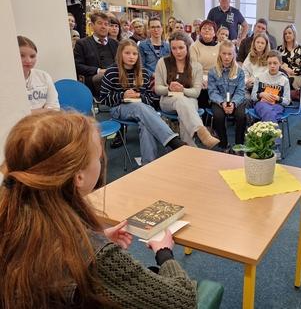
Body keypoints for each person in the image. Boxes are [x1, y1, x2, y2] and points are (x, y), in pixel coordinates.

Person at [0, 111, 198, 308]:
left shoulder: (11, 219)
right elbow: (184, 301)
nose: (101, 162)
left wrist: (97, 236)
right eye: (97, 157)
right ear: (79, 177)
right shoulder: (93, 256)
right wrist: (164, 252)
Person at [99, 39, 186, 165]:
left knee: (145, 123)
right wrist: (122, 95)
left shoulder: (143, 72)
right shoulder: (111, 72)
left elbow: (151, 99)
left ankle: (148, 164)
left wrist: (139, 95)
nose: (131, 57)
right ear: (120, 54)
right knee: (139, 108)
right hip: (118, 108)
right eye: (127, 53)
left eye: (134, 54)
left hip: (142, 110)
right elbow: (104, 99)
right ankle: (173, 141)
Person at [155, 32, 220, 149]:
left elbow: (196, 92)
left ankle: (188, 148)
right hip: (167, 101)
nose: (178, 52)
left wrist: (183, 90)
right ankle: (202, 132)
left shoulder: (196, 66)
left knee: (183, 106)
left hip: (190, 101)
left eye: (181, 47)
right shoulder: (162, 62)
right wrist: (169, 88)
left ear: (187, 47)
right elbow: (157, 89)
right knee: (180, 100)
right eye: (174, 48)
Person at [208, 40, 247, 150]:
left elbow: (240, 91)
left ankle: (239, 145)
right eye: (224, 53)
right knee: (218, 116)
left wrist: (233, 103)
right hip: (219, 101)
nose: (226, 57)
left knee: (241, 116)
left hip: (236, 100)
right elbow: (212, 92)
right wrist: (222, 103)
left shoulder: (240, 72)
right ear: (219, 53)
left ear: (234, 54)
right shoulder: (213, 71)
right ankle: (223, 144)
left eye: (230, 54)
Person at [73, 11, 118, 97]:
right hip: (94, 78)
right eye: (100, 23)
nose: (103, 26)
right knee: (102, 78)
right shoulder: (82, 43)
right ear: (92, 25)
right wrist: (98, 71)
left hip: (115, 76)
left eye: (106, 24)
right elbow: (78, 65)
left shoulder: (115, 43)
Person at [18, 36, 60, 113]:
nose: (28, 60)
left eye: (32, 56)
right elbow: (11, 115)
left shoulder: (44, 76)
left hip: (44, 122)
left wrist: (30, 112)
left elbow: (54, 108)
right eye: (22, 56)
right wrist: (43, 110)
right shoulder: (6, 81)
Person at [251, 50, 291, 123]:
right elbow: (253, 97)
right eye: (269, 63)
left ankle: (264, 131)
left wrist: (278, 98)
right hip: (261, 104)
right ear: (267, 64)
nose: (272, 66)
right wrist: (261, 94)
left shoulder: (284, 80)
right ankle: (275, 133)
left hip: (277, 105)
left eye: (275, 63)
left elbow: (287, 101)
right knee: (268, 111)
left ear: (280, 63)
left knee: (269, 113)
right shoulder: (259, 77)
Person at [190, 20, 221, 109]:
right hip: (200, 78)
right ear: (200, 32)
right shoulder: (194, 47)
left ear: (214, 33)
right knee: (202, 92)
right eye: (204, 28)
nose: (207, 30)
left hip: (216, 77)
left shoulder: (220, 46)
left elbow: (223, 66)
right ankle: (202, 118)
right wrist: (200, 80)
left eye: (210, 29)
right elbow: (193, 67)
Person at [277, 24, 301, 96]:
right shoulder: (279, 49)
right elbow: (276, 63)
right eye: (285, 34)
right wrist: (284, 69)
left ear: (294, 34)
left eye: (290, 33)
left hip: (296, 76)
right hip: (281, 74)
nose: (287, 35)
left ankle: (285, 97)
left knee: (284, 81)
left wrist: (291, 71)